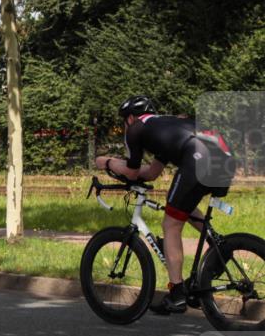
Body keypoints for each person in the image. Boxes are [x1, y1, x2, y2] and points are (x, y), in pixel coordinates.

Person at [95, 96, 234, 314]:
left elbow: (132, 170)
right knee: (181, 208)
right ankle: (220, 249)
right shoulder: (166, 127)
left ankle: (177, 294)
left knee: (170, 225)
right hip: (224, 158)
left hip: (198, 158)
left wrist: (108, 163)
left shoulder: (136, 129)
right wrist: (126, 173)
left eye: (124, 120)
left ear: (130, 117)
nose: (124, 125)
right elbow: (151, 173)